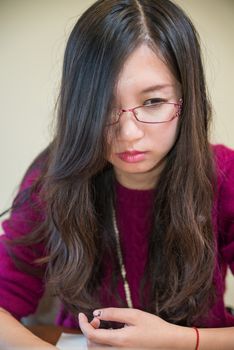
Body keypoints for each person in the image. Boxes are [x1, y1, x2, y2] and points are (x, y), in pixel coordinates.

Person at [0, 0, 234, 348]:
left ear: (188, 97)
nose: (128, 134)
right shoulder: (54, 178)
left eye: (153, 101)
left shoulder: (224, 175)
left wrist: (181, 340)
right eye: (102, 107)